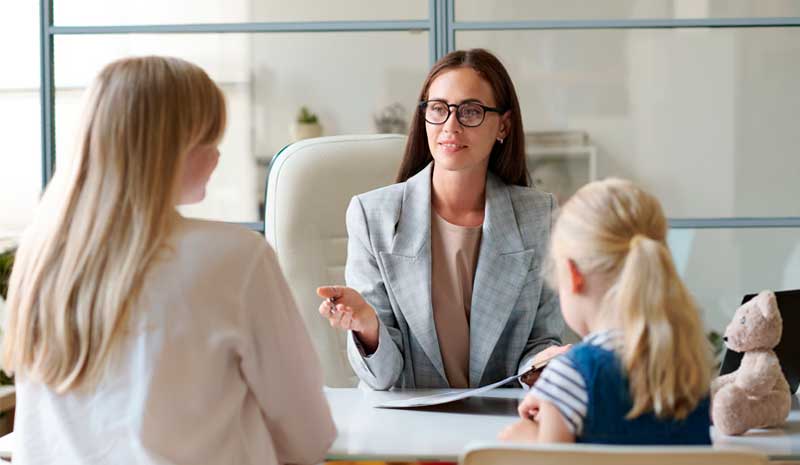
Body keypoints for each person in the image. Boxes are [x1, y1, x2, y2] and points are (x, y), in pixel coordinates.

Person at [2, 56, 335, 465]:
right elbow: (307, 432)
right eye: (207, 140)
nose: (216, 157)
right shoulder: (235, 258)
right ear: (163, 148)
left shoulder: (40, 259)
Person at [317, 49, 567, 390]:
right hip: (406, 428)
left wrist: (543, 364)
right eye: (438, 109)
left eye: (470, 112)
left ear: (503, 125)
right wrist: (367, 325)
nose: (450, 126)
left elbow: (540, 341)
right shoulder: (372, 215)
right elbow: (383, 377)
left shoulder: (539, 217)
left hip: (500, 422)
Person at [499, 178, 713, 444]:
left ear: (573, 274)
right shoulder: (690, 366)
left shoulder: (573, 373)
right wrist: (557, 398)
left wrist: (527, 436)